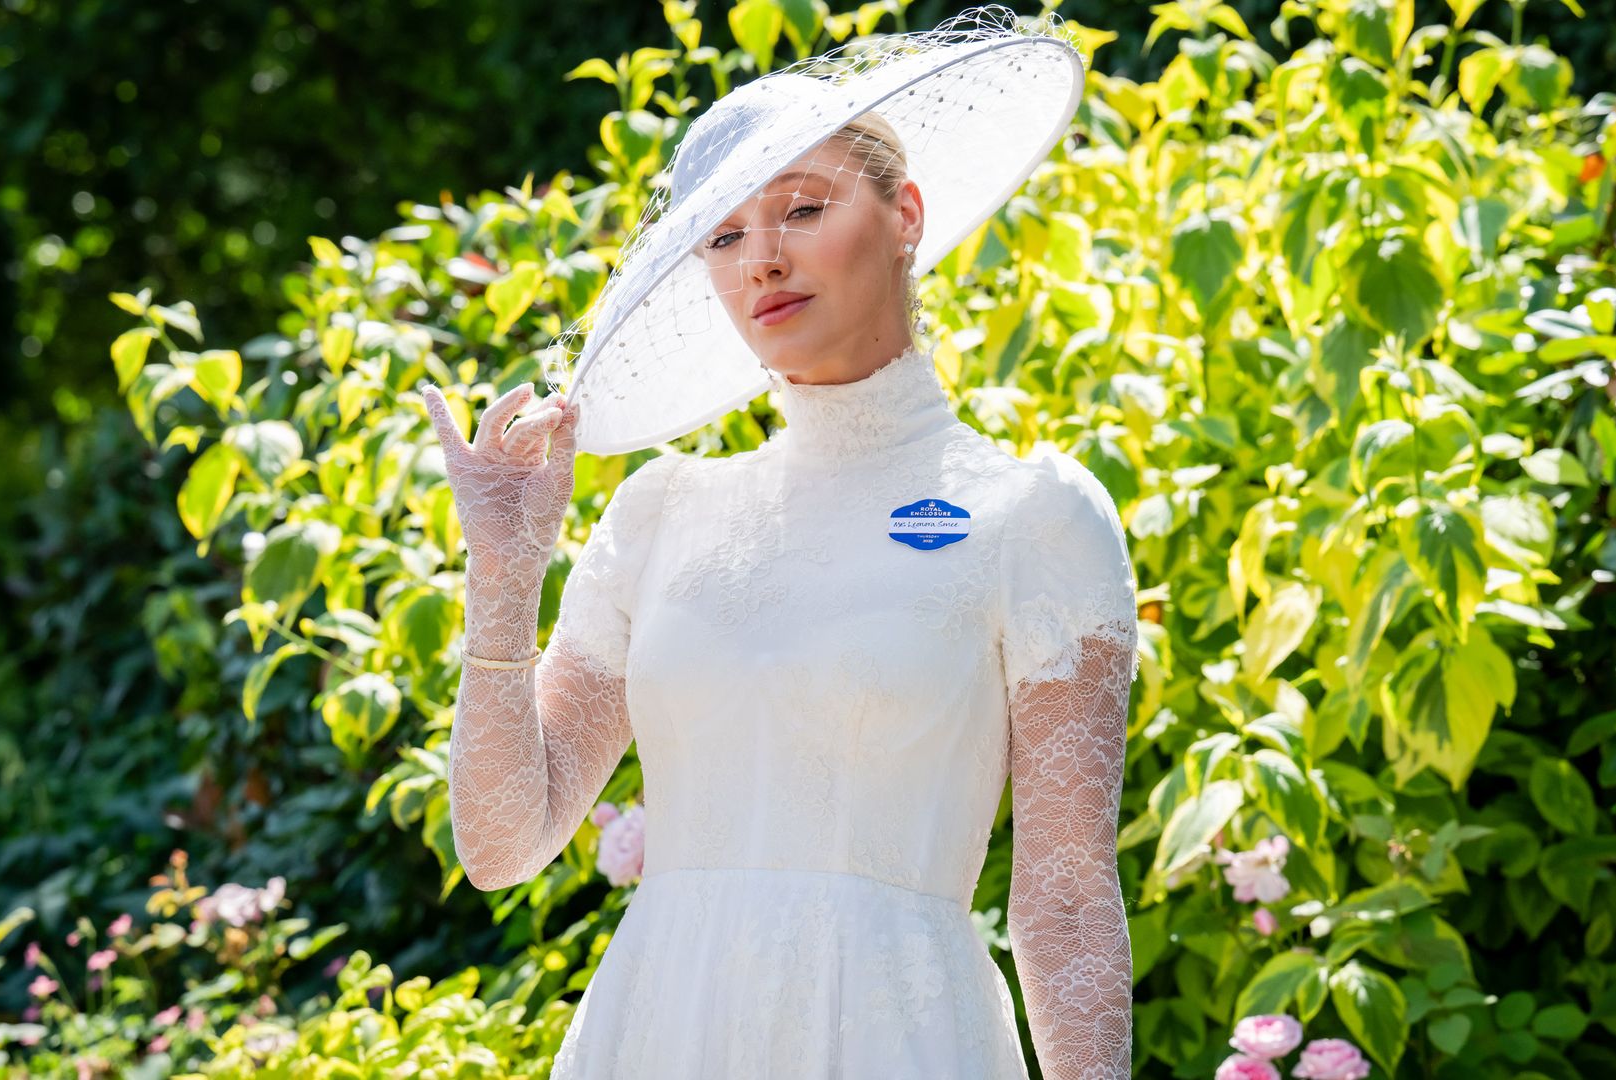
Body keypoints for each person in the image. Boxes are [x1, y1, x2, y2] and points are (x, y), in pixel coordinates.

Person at [421, 10, 1137, 1077]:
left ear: (906, 215)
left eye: (802, 208)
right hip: (654, 1035)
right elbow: (501, 845)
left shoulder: (1032, 515)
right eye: (723, 235)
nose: (763, 259)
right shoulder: (663, 514)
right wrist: (504, 573)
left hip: (901, 1037)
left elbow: (1069, 896)